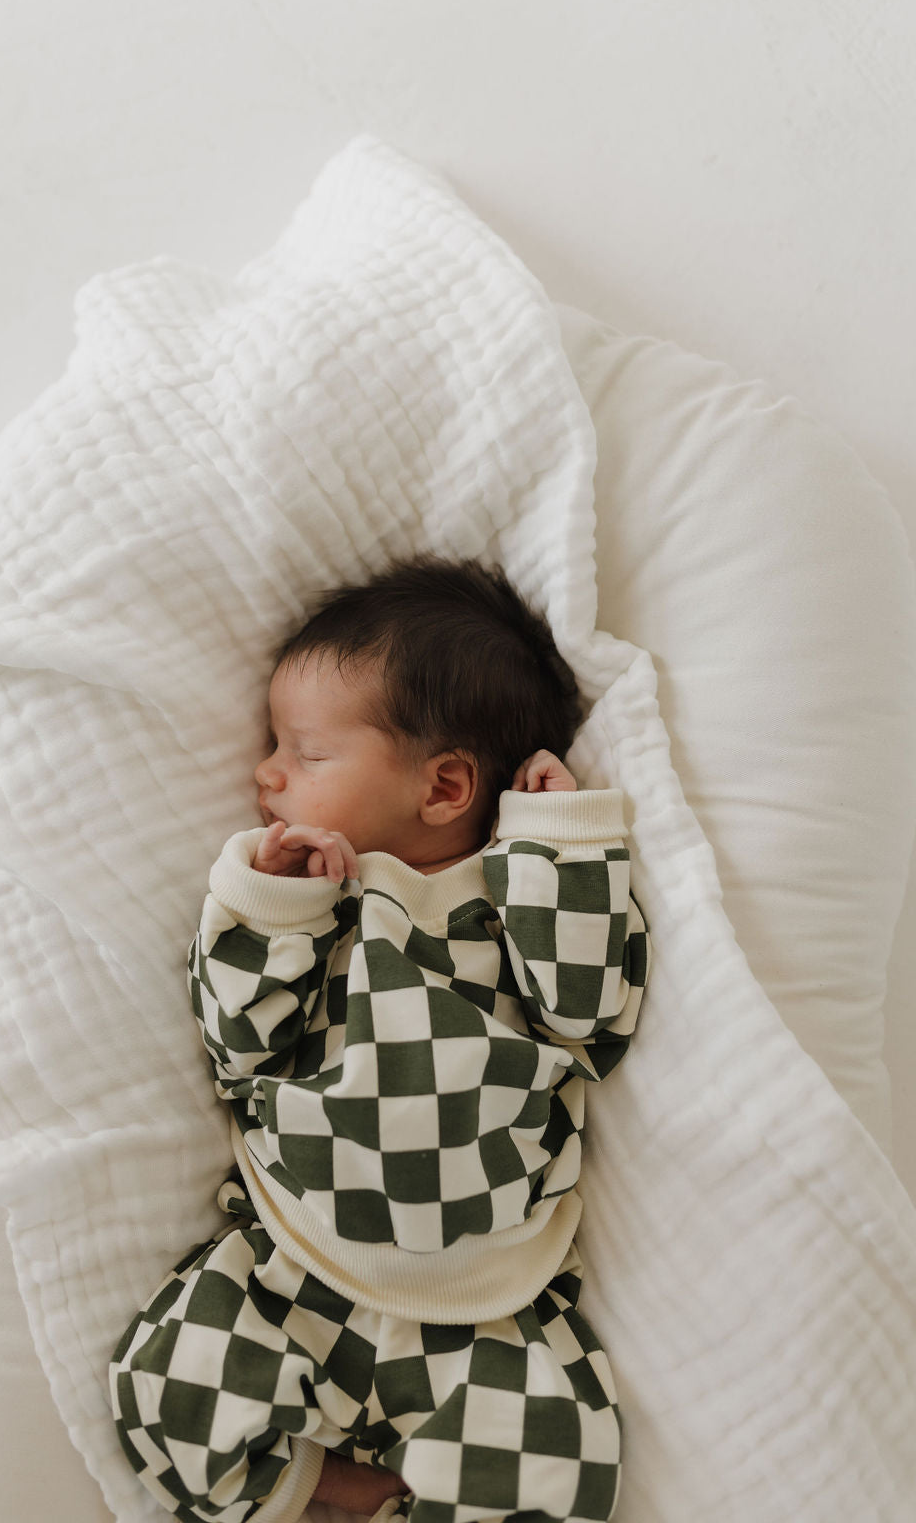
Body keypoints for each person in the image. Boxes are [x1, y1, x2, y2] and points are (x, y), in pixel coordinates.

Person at [109, 555, 650, 1523]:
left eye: (306, 754)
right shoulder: (323, 908)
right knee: (165, 1389)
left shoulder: (504, 904)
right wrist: (275, 905)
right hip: (291, 1266)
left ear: (444, 787)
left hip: (493, 1300)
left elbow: (589, 1015)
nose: (264, 773)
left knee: (559, 1457)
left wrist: (558, 840)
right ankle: (334, 1493)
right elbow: (238, 1041)